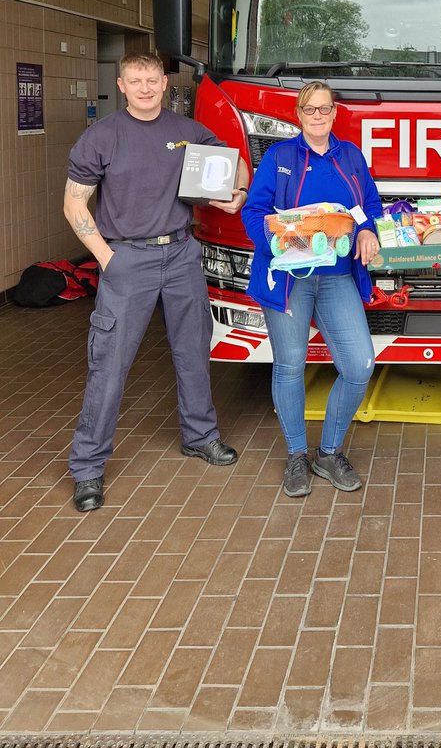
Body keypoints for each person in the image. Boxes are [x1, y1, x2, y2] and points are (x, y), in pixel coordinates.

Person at [64, 52, 248, 513]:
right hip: (128, 257)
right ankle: (87, 468)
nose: (145, 88)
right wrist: (108, 258)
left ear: (164, 83)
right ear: (122, 86)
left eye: (152, 80)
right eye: (135, 81)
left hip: (183, 253)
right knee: (109, 364)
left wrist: (235, 193)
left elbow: (235, 162)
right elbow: (74, 204)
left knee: (192, 351)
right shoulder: (101, 136)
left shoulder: (186, 132)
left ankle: (200, 436)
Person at [242, 81, 382, 497]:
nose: (318, 116)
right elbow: (254, 211)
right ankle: (297, 456)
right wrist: (283, 241)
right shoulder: (280, 157)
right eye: (310, 110)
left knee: (359, 365)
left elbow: (369, 205)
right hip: (288, 279)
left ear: (334, 113)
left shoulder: (350, 156)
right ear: (299, 114)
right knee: (290, 364)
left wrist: (367, 231)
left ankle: (329, 452)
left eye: (325, 109)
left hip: (338, 276)